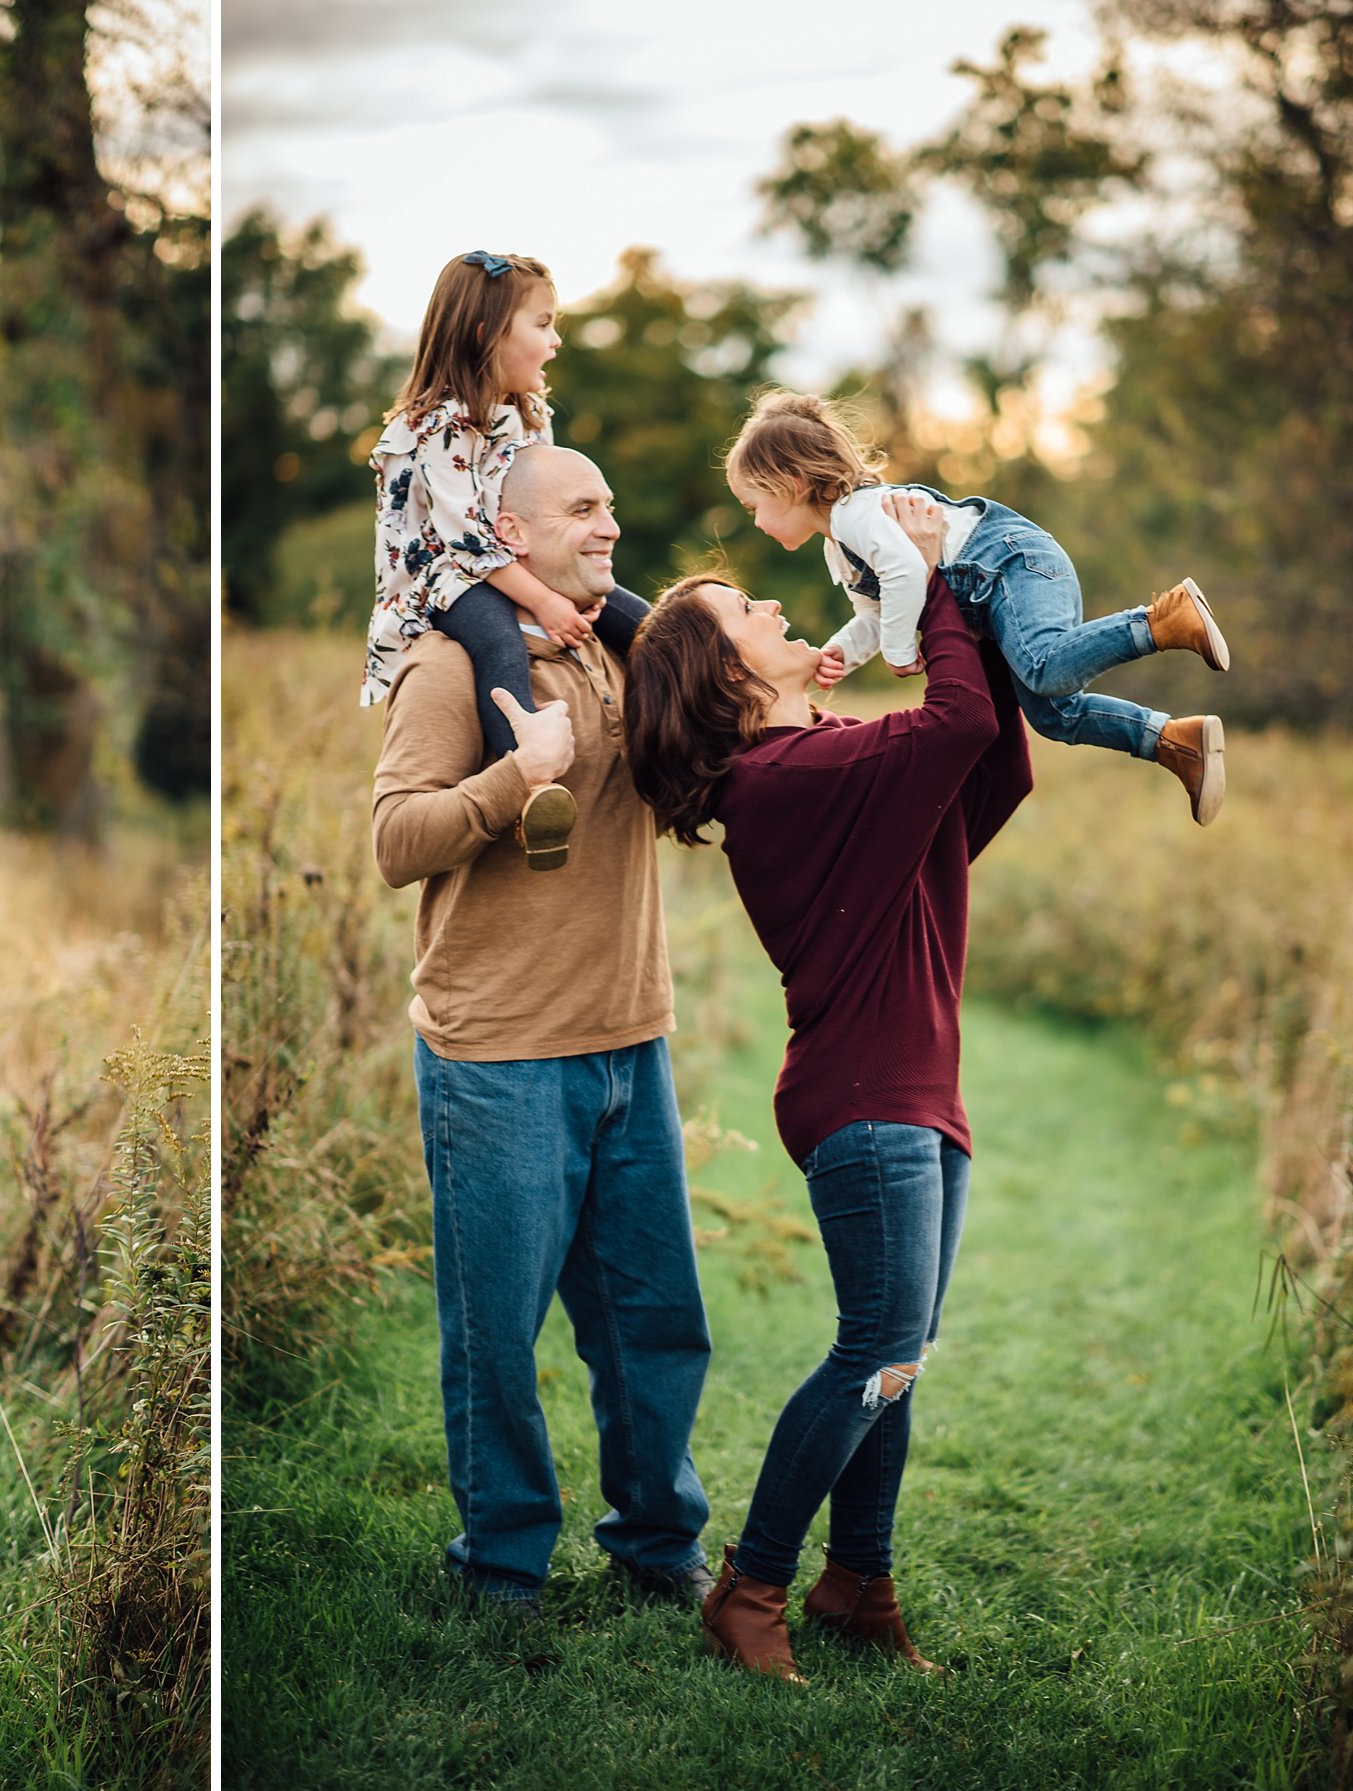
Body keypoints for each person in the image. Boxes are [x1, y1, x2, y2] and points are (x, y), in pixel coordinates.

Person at [623, 494, 1031, 1681]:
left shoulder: (822, 765)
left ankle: (860, 1584)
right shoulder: (783, 777)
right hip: (868, 1102)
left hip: (913, 1094)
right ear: (724, 680)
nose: (778, 605)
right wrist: (926, 577)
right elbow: (950, 723)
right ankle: (752, 1588)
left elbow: (989, 769)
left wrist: (966, 613)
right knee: (877, 1352)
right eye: (749, 611)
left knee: (899, 1353)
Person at [372, 442, 714, 1618]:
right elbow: (394, 841)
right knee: (497, 1339)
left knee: (656, 1323)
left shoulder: (626, 650)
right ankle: (505, 1563)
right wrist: (519, 779)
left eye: (612, 504)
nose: (609, 524)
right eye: (583, 509)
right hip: (498, 1055)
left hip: (631, 1036)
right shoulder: (448, 667)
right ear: (509, 534)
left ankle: (661, 1542)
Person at [724, 387, 1229, 824]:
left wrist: (901, 651)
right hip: (997, 590)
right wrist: (838, 654)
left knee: (1045, 668)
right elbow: (874, 615)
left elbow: (905, 573)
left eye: (753, 507)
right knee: (1053, 716)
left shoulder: (858, 512)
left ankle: (1163, 621)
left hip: (1012, 564)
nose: (756, 522)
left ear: (788, 486)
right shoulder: (838, 546)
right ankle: (1172, 741)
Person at [361, 250, 656, 870]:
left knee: (640, 620)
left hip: (510, 563)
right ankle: (528, 788)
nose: (556, 341)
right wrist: (547, 600)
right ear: (485, 334)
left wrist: (567, 586)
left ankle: (729, 711)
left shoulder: (525, 416)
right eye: (543, 324)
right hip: (444, 578)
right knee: (499, 646)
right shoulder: (439, 425)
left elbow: (536, 511)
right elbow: (467, 542)